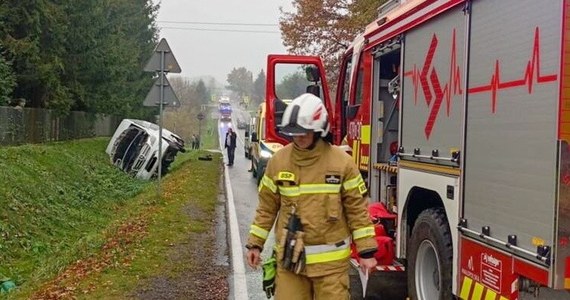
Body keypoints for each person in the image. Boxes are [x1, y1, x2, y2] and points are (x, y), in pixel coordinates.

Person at [245, 93, 378, 299]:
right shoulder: (278, 162)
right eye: (295, 133)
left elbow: (357, 210)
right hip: (291, 263)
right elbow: (266, 208)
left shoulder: (342, 163)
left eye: (305, 132)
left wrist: (366, 252)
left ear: (319, 130)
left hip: (331, 269)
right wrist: (255, 244)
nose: (299, 138)